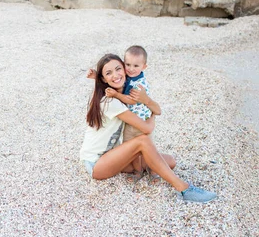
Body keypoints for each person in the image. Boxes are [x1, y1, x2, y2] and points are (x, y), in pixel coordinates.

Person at [80, 54, 217, 203]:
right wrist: (151, 115)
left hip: (113, 155)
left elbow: (158, 109)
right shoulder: (110, 102)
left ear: (126, 70)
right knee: (143, 141)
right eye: (109, 73)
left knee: (170, 161)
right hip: (97, 164)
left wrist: (146, 100)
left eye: (118, 69)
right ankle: (184, 188)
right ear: (103, 79)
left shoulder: (124, 93)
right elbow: (147, 129)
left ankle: (148, 169)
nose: (115, 75)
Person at [87, 45, 159, 182]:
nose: (131, 69)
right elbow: (113, 79)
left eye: (136, 66)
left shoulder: (138, 84)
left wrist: (151, 110)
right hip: (130, 125)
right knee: (137, 150)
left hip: (140, 121)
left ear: (144, 67)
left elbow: (130, 100)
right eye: (128, 65)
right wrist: (97, 76)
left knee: (152, 150)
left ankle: (153, 172)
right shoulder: (125, 83)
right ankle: (139, 172)